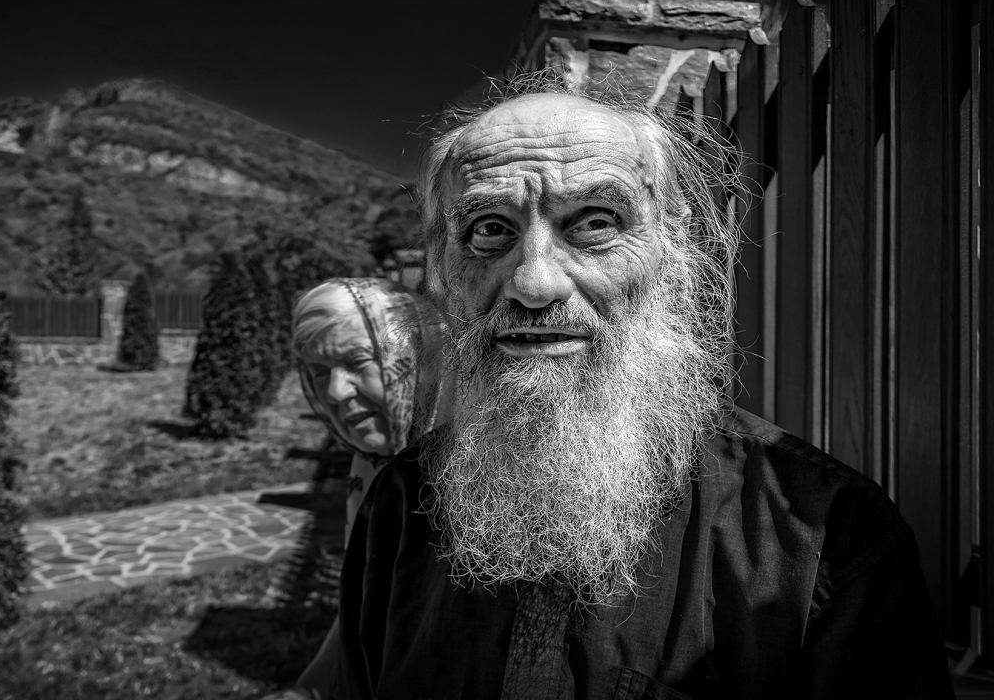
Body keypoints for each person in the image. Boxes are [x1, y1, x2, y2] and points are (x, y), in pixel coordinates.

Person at [332, 78, 956, 699]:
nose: (534, 283)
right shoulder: (400, 505)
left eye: (595, 222)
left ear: (674, 251)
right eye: (490, 229)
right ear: (443, 266)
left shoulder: (825, 537)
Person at [286, 277, 445, 700]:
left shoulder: (476, 477)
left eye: (358, 360)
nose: (335, 392)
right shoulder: (373, 464)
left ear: (421, 358)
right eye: (319, 372)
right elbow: (361, 607)